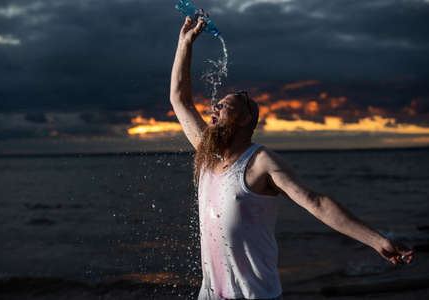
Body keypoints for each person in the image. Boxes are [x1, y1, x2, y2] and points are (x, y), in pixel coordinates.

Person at [169, 15, 414, 300]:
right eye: (217, 104)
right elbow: (180, 99)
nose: (215, 106)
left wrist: (377, 240)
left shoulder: (260, 162)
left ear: (245, 119)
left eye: (225, 107)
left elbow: (317, 203)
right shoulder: (208, 155)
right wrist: (184, 43)